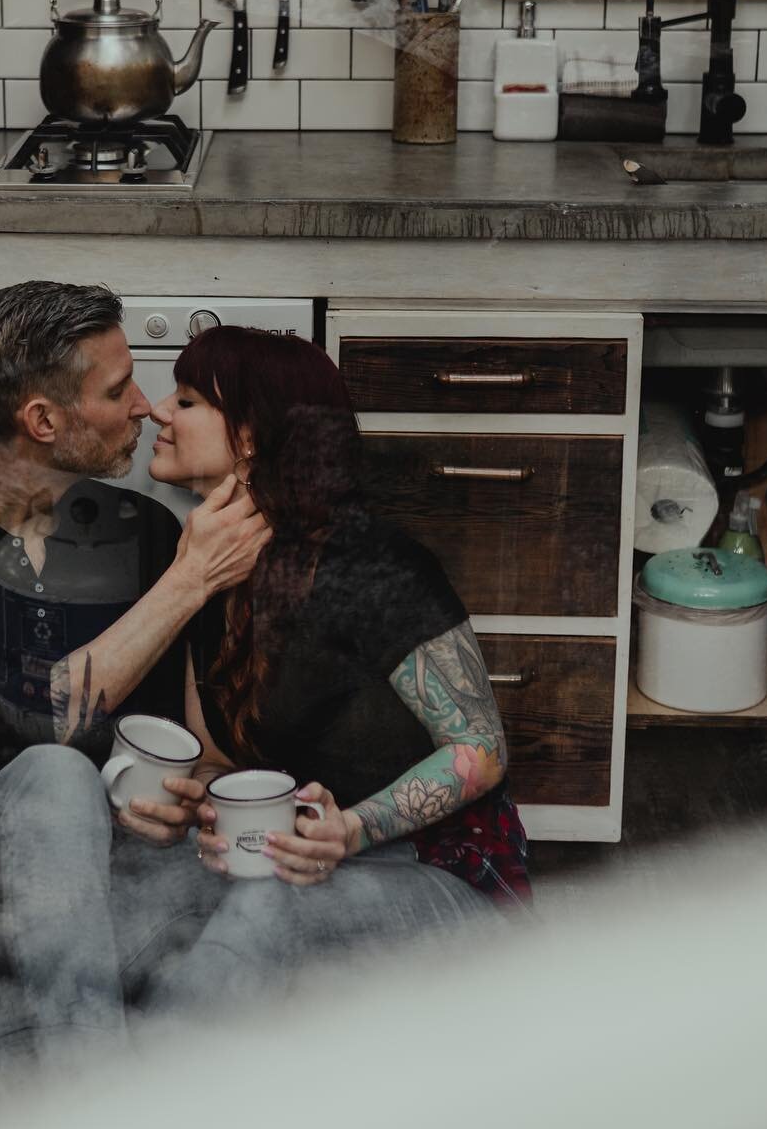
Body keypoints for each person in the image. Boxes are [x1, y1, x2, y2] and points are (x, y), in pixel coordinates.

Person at [0, 282, 267, 1091]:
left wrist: (180, 794)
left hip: (93, 914)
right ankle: (93, 1112)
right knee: (56, 774)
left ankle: (10, 1060)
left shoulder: (143, 534)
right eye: (117, 391)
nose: (144, 408)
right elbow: (39, 725)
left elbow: (191, 748)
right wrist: (188, 581)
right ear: (42, 421)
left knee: (261, 863)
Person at [121, 324, 531, 1018]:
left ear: (249, 437)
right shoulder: (206, 571)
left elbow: (480, 749)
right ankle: (4, 1078)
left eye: (187, 400)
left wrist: (349, 831)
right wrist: (202, 806)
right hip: (299, 859)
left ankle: (143, 1113)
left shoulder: (371, 562)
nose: (160, 411)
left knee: (262, 910)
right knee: (134, 896)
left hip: (441, 874)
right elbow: (220, 760)